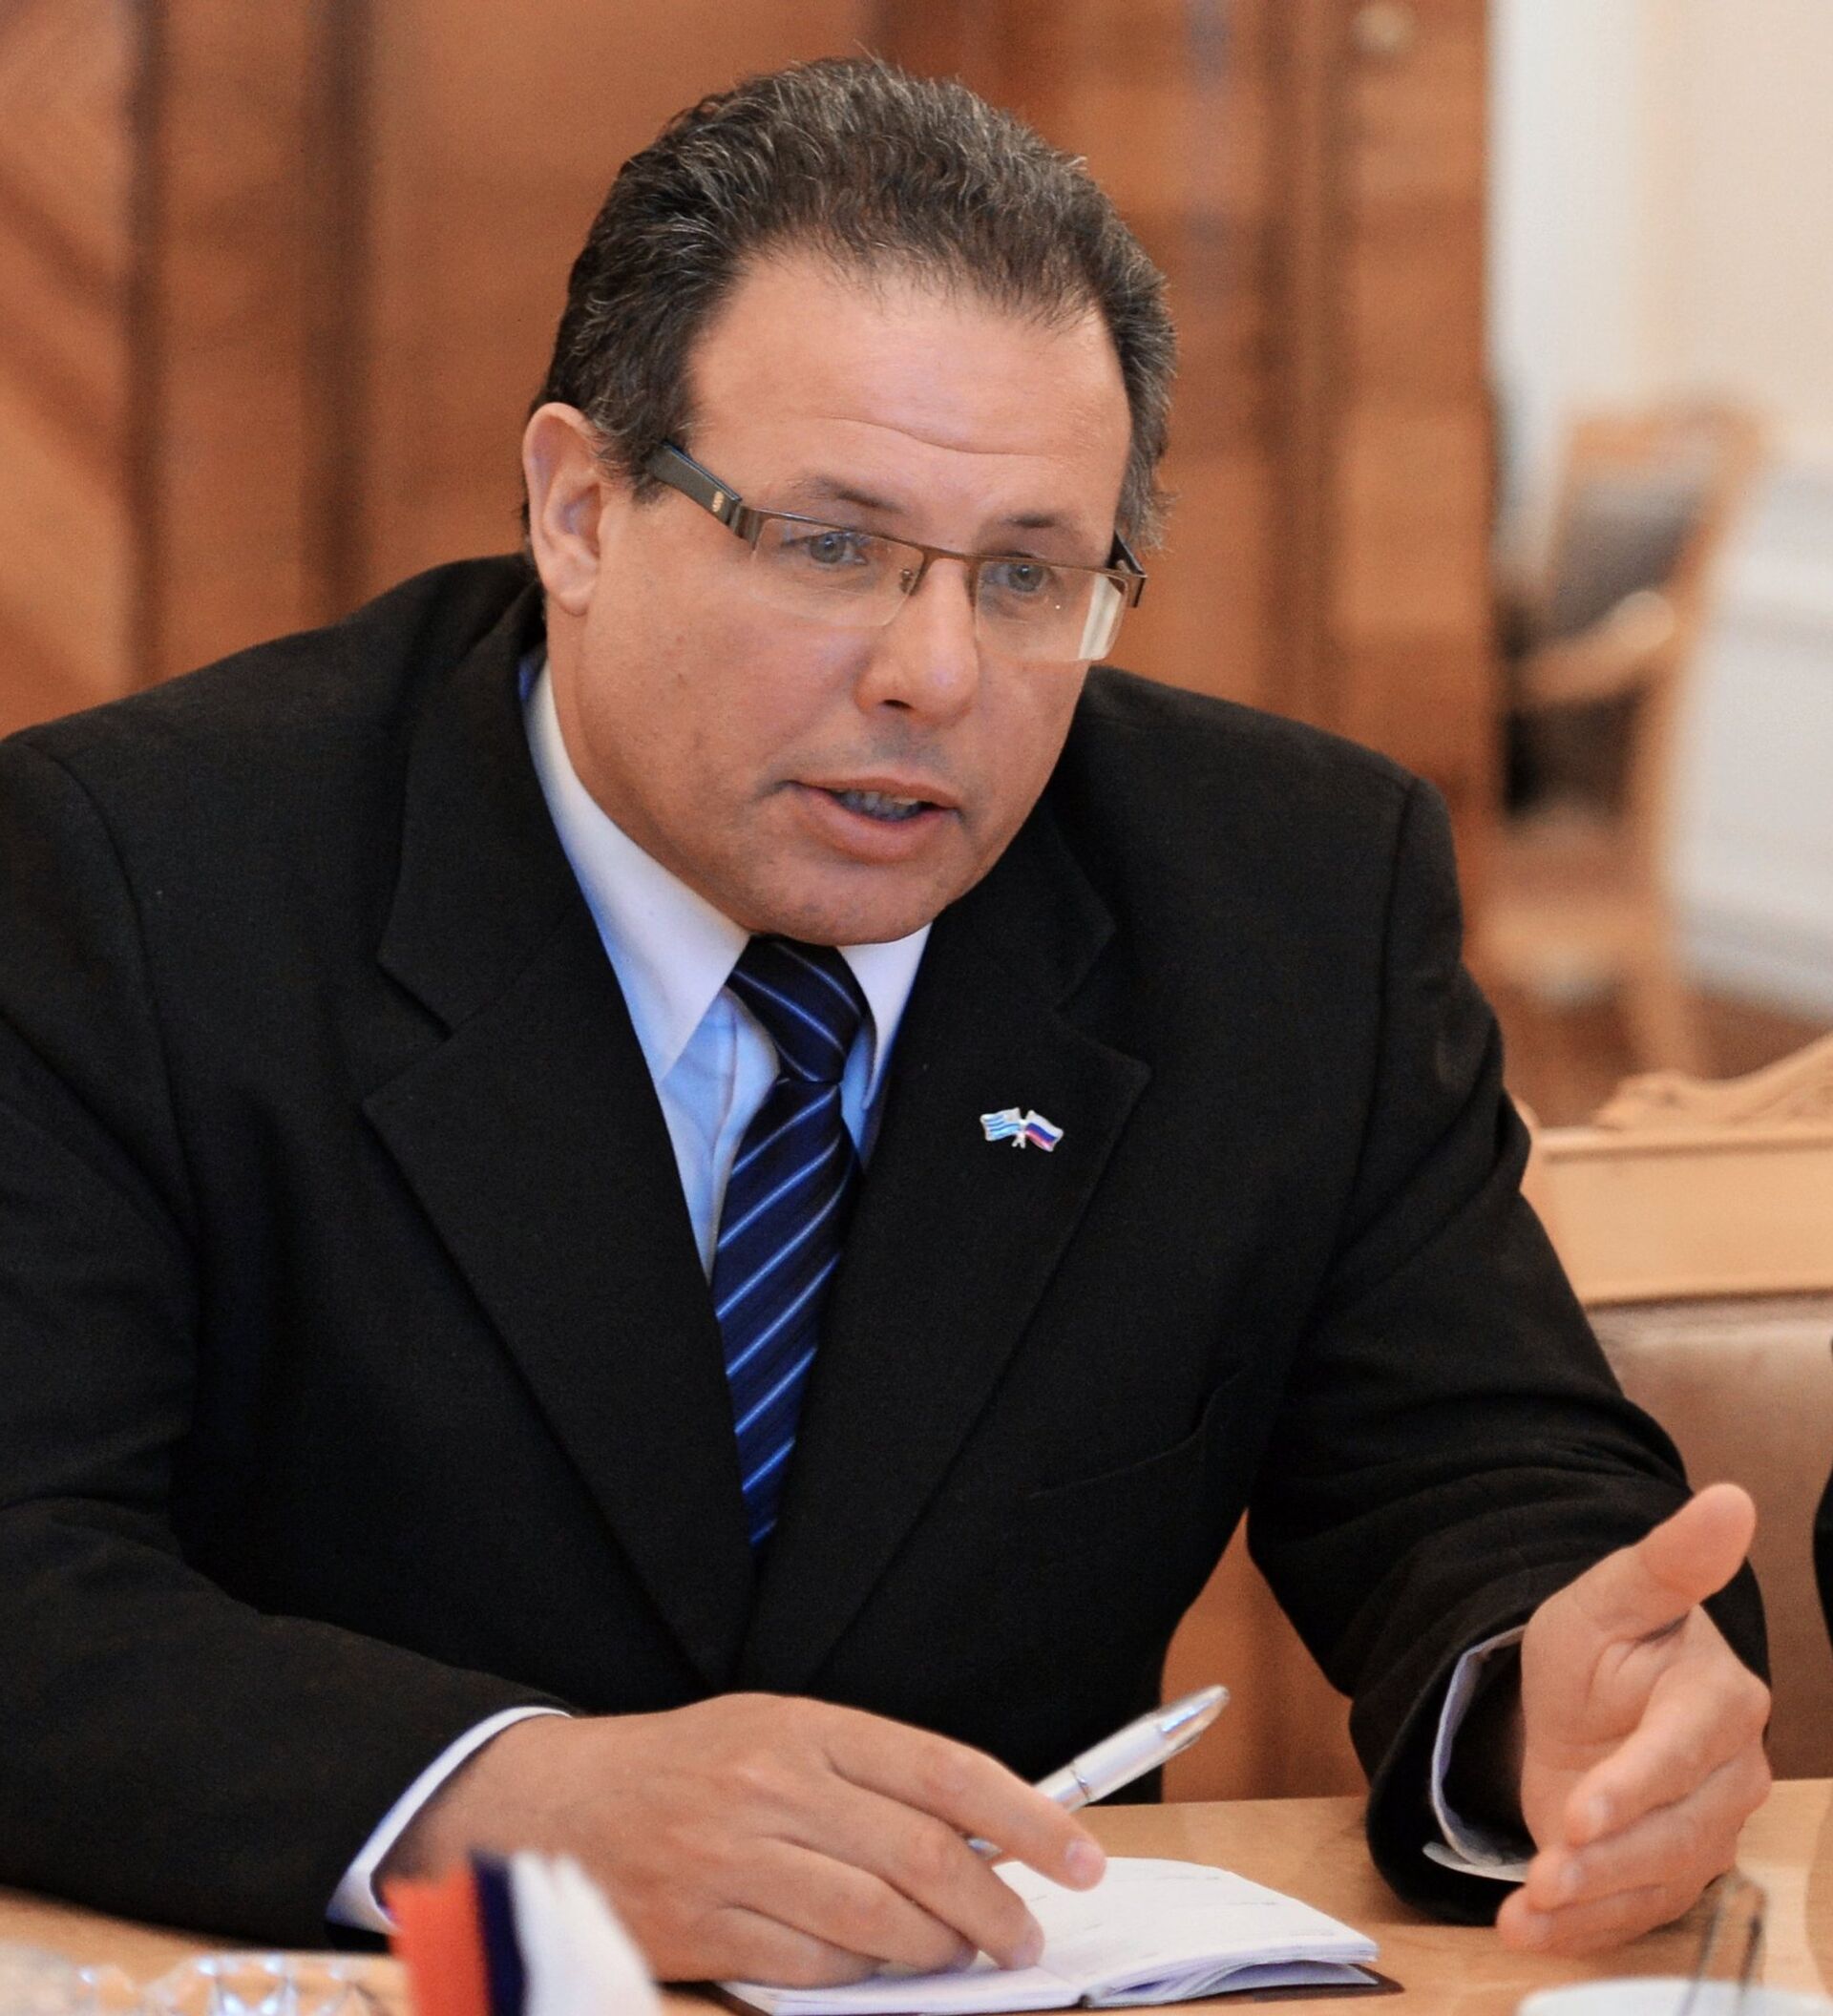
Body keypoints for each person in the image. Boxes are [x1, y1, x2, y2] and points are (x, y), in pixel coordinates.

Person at [0, 57, 1769, 1986]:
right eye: (833, 547)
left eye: (1027, 577)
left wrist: (1553, 1707)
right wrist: (507, 1804)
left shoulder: (1286, 898)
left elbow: (1477, 1479)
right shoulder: (139, 877)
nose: (937, 672)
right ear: (578, 508)